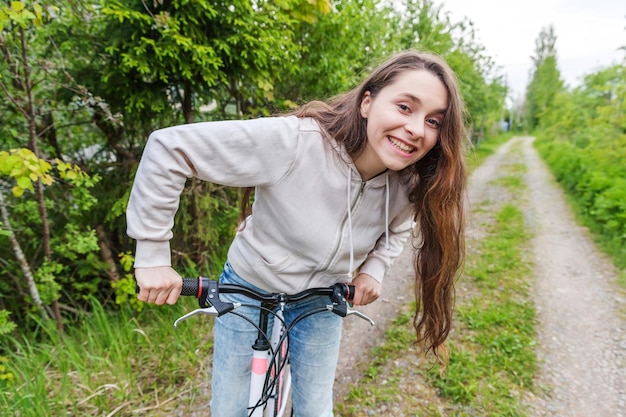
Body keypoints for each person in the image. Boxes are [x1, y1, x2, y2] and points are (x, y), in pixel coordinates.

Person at [126, 49, 467, 417]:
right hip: (249, 286)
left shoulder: (412, 181)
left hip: (321, 297)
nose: (417, 129)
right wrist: (153, 254)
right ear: (367, 102)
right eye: (404, 107)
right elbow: (168, 148)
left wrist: (374, 268)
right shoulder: (296, 141)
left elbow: (399, 224)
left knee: (315, 409)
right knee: (229, 409)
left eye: (434, 121)